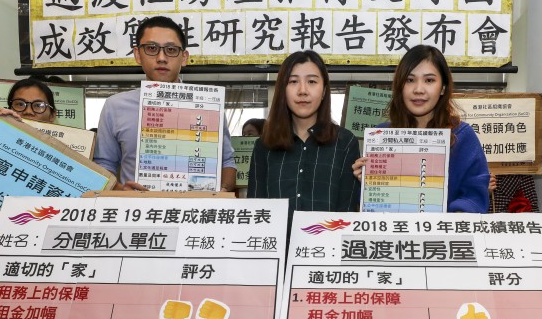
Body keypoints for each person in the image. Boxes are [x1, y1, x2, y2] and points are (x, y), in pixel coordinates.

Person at [94, 15, 236, 191]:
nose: (161, 57)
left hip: (196, 212)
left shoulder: (209, 105)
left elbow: (228, 161)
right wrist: (120, 190)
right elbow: (104, 164)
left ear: (184, 57)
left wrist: (222, 191)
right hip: (135, 213)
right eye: (152, 48)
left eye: (171, 50)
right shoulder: (115, 106)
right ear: (138, 54)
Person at [353, 45, 490, 213]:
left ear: (443, 88)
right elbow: (369, 206)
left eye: (429, 80)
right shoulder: (381, 135)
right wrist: (369, 182)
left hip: (444, 237)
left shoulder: (462, 135)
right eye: (410, 80)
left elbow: (474, 195)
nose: (418, 89)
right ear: (400, 87)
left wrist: (448, 223)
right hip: (392, 236)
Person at [247, 51, 360, 214]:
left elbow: (347, 210)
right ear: (282, 90)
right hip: (276, 240)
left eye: (312, 81)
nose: (303, 90)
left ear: (324, 90)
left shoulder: (345, 142)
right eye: (293, 81)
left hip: (327, 239)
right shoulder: (264, 146)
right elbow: (255, 209)